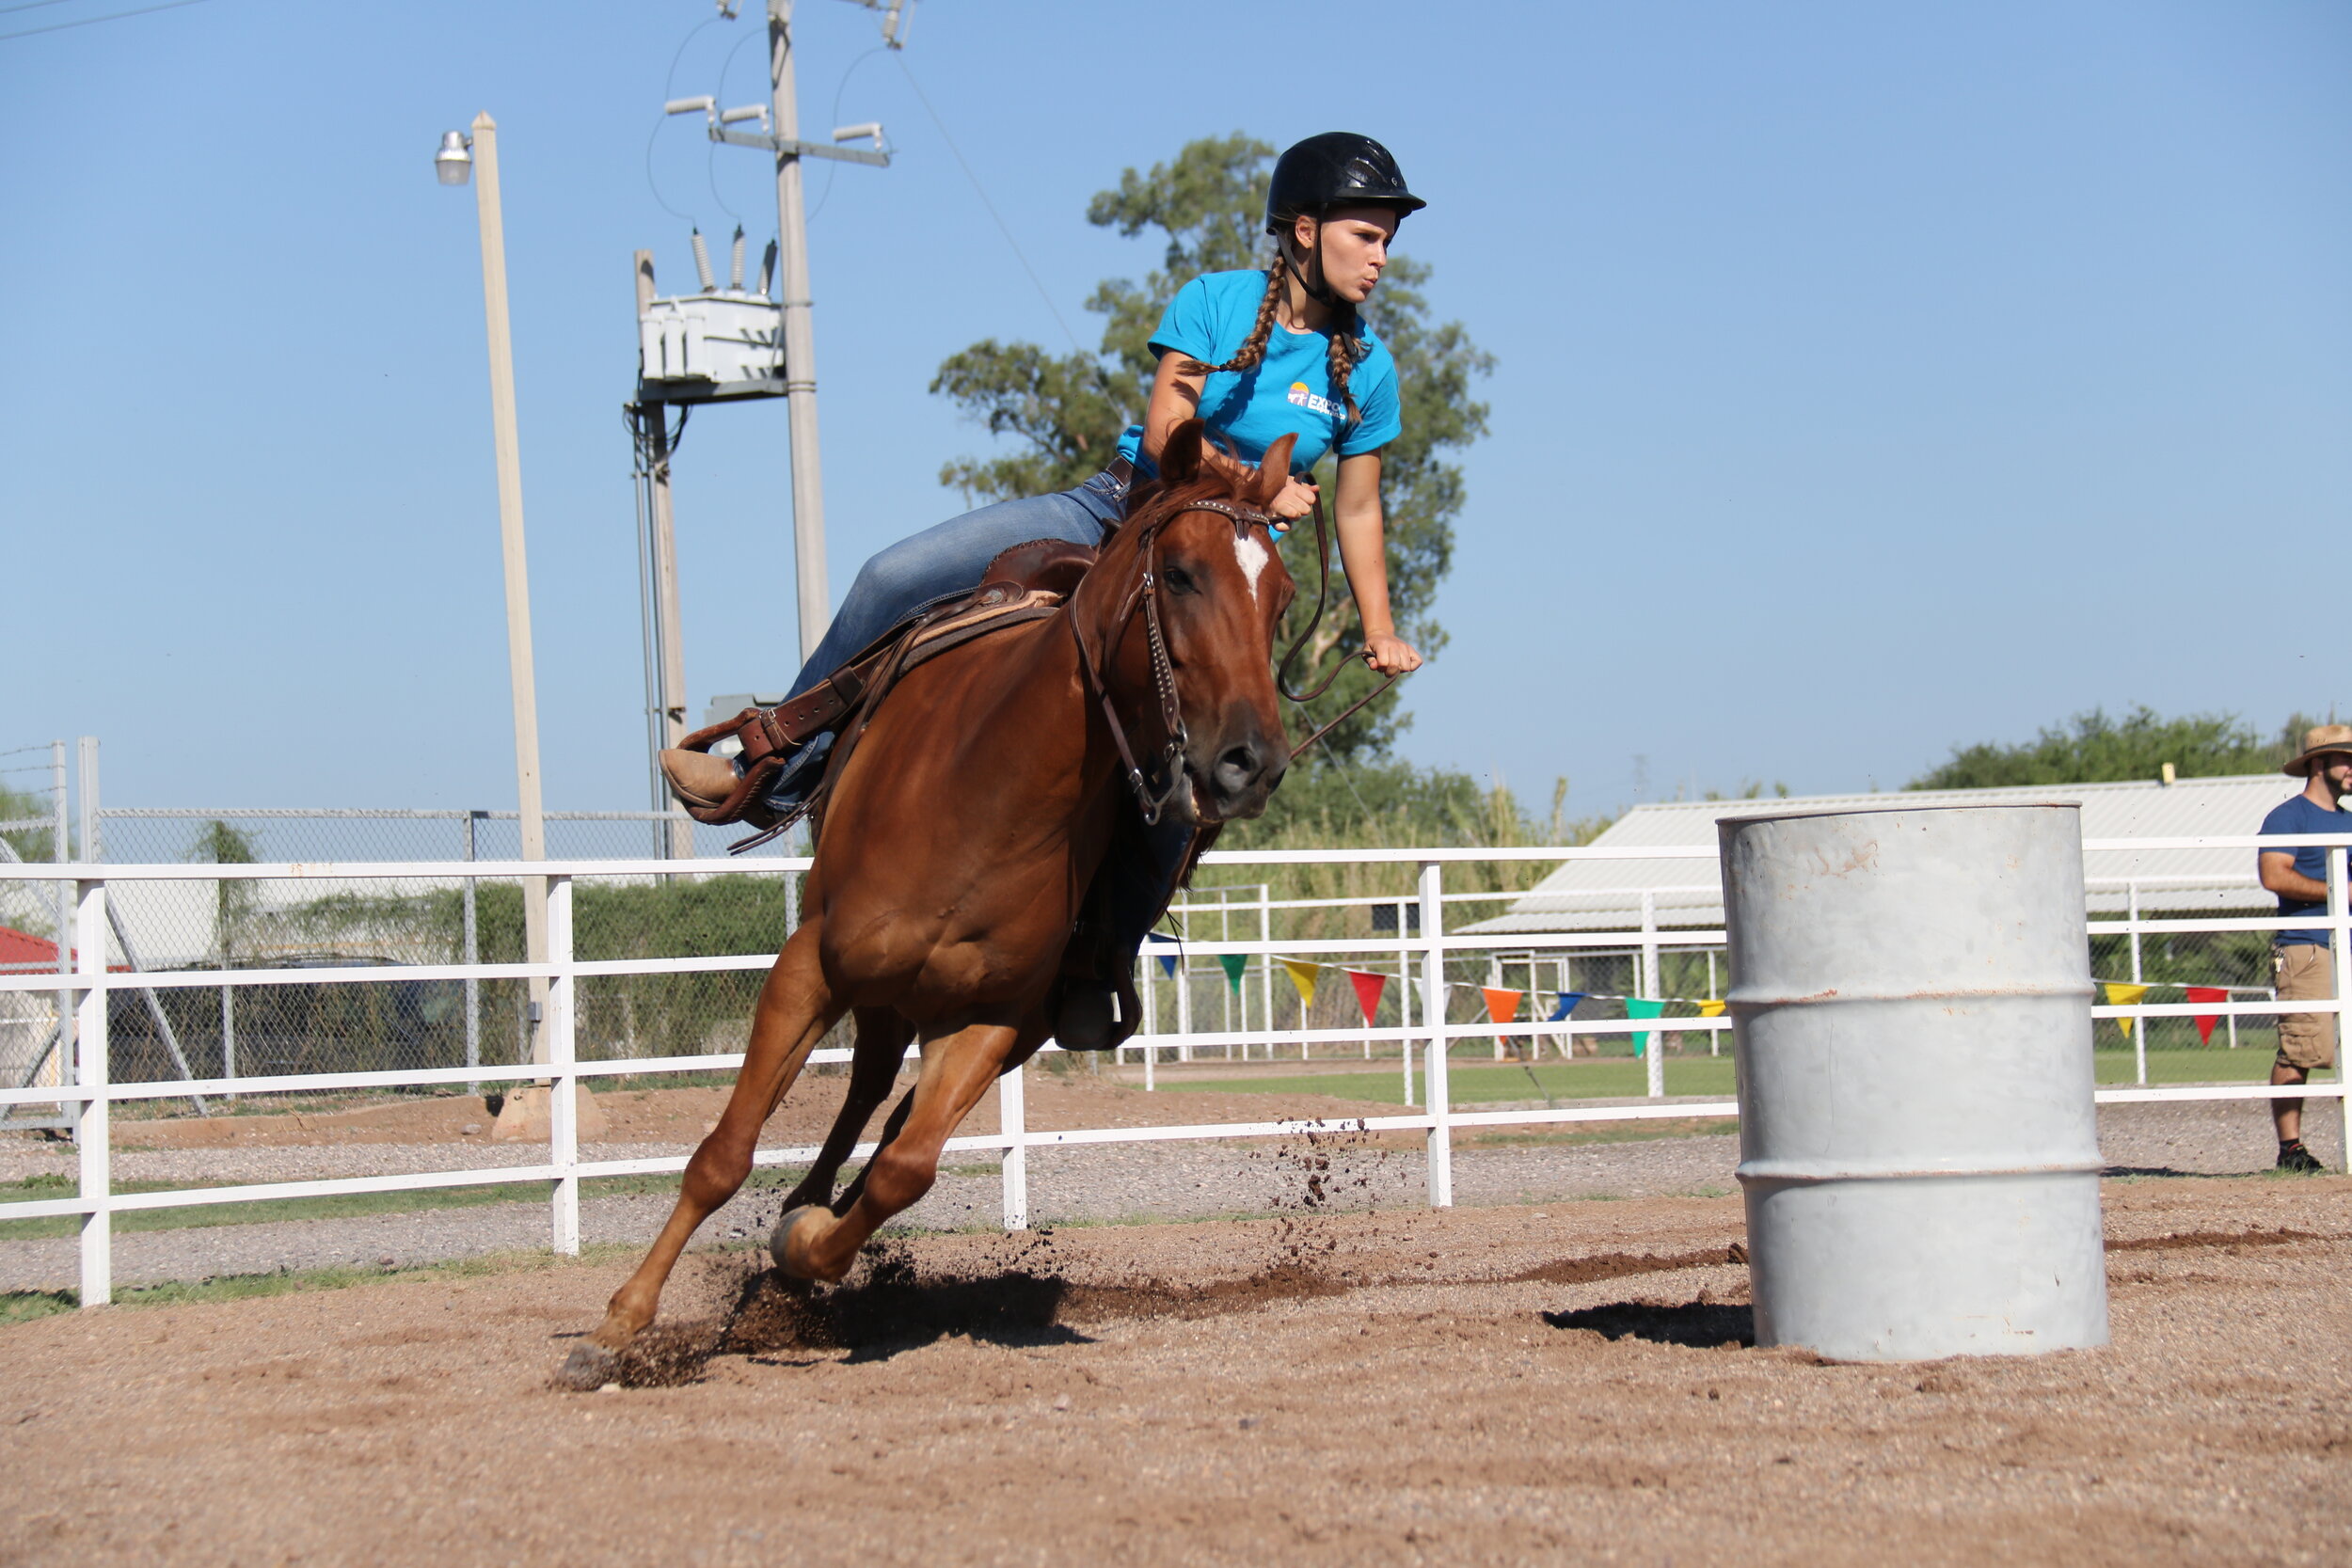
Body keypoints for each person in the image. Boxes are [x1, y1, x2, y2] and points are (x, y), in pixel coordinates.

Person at [660, 132, 1432, 1042]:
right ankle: (773, 765)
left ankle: (1100, 959)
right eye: (1365, 235)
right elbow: (1164, 424)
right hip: (1113, 512)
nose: (1380, 257)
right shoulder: (1214, 303)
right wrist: (1251, 482)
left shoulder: (1368, 369)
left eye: (1386, 239)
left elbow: (1359, 508)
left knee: (1185, 786)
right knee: (893, 573)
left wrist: (1379, 626)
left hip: (1215, 582)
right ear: (1303, 231)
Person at [2255, 723, 2352, 1174]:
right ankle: (2290, 1149)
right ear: (2318, 764)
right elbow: (2274, 876)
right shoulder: (2287, 817)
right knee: (2301, 1049)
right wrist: (2338, 892)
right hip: (2306, 949)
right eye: (2346, 758)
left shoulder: (2348, 819)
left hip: (2344, 946)